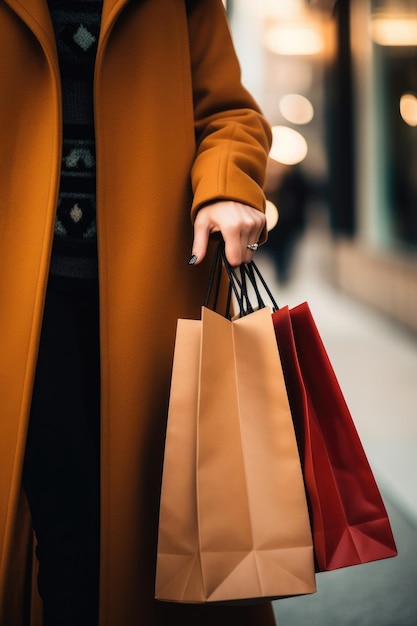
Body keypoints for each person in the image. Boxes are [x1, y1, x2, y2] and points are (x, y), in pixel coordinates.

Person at [0, 0, 274, 624]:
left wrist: (228, 184)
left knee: (149, 540)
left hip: (154, 298)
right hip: (19, 309)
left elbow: (230, 113)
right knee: (62, 543)